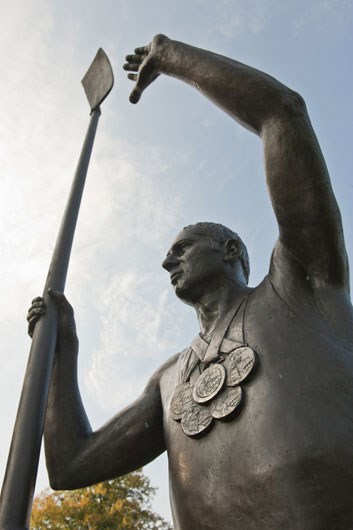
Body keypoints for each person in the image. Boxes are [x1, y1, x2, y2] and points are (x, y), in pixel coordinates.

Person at [28, 35, 353, 530]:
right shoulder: (167, 381)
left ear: (230, 251)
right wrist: (63, 351)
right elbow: (71, 465)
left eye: (181, 249)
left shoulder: (301, 283)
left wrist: (171, 56)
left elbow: (282, 113)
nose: (166, 263)